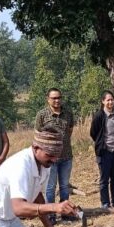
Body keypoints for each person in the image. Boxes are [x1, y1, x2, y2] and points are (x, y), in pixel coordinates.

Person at [35, 88, 76, 220]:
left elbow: (69, 132)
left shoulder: (68, 113)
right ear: (48, 99)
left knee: (64, 186)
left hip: (66, 156)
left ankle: (66, 213)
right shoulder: (42, 115)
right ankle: (51, 215)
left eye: (59, 97)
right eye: (54, 98)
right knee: (50, 187)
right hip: (49, 159)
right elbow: (37, 134)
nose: (57, 100)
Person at [90, 90, 114, 208]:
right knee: (104, 179)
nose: (110, 102)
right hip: (105, 151)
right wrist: (101, 143)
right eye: (108, 100)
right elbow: (93, 133)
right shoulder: (99, 116)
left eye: (112, 99)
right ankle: (105, 203)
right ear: (103, 101)